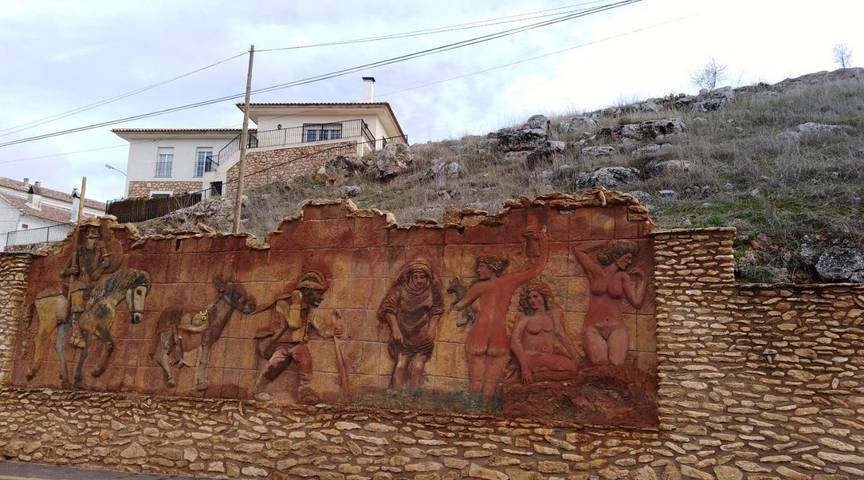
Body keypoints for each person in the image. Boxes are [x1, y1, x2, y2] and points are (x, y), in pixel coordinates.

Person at [452, 228, 549, 404]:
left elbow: (459, 306)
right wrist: (544, 240)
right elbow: (538, 268)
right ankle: (485, 414)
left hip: (479, 335)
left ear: (491, 268)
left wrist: (471, 306)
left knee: (475, 383)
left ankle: (473, 416)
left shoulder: (478, 287)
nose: (478, 271)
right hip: (499, 338)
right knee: (489, 385)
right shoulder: (510, 282)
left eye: (481, 267)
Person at [253, 270, 341, 404]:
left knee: (305, 361)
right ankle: (260, 388)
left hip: (298, 345)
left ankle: (304, 391)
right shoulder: (283, 304)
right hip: (282, 344)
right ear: (305, 291)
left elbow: (321, 329)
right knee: (273, 365)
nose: (321, 298)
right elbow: (294, 323)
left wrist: (333, 331)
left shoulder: (309, 310)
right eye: (318, 293)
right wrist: (296, 301)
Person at [572, 241, 647, 366]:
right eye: (627, 258)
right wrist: (606, 242)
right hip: (593, 327)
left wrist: (643, 280)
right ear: (617, 256)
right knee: (601, 364)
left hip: (617, 327)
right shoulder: (595, 272)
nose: (629, 262)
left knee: (616, 366)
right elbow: (578, 250)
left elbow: (637, 302)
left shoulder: (623, 277)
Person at [378, 257, 444, 393]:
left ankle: (413, 398)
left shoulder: (433, 291)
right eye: (416, 277)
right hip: (403, 335)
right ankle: (396, 397)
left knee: (418, 366)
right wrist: (395, 329)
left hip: (423, 336)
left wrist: (432, 329)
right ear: (410, 277)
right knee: (401, 364)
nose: (419, 280)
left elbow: (436, 310)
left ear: (427, 278)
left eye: (422, 277)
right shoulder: (400, 290)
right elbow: (388, 309)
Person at [510, 280, 579, 384]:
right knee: (571, 369)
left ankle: (538, 376)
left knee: (573, 370)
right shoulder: (524, 316)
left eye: (536, 296)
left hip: (547, 357)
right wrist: (524, 368)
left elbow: (561, 335)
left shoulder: (554, 314)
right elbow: (514, 342)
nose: (532, 300)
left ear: (544, 296)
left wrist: (575, 357)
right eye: (529, 298)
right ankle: (532, 374)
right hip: (529, 357)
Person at [61, 219, 111, 349]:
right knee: (77, 296)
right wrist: (71, 270)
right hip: (80, 281)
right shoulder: (79, 249)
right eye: (89, 229)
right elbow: (63, 271)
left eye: (94, 229)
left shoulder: (100, 246)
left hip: (94, 280)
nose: (92, 232)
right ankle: (76, 333)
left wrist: (99, 271)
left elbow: (106, 261)